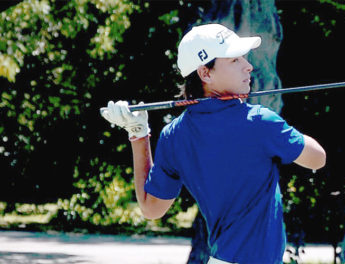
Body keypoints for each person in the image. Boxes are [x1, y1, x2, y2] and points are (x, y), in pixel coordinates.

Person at [102, 23, 326, 264]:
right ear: (205, 74)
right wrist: (281, 132)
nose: (248, 66)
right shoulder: (260, 121)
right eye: (234, 60)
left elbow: (151, 209)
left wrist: (138, 135)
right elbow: (318, 158)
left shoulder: (173, 135)